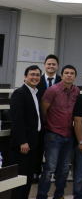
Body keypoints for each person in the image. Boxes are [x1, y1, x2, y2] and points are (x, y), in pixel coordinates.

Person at [37, 65, 80, 199]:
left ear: (75, 76)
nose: (69, 75)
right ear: (62, 75)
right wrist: (51, 123)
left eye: (72, 73)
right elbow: (44, 111)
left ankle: (59, 196)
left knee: (64, 170)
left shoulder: (76, 91)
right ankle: (42, 196)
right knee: (49, 169)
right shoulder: (52, 90)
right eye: (66, 73)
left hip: (69, 136)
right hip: (53, 136)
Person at [10, 65, 42, 199]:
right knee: (20, 179)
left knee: (28, 178)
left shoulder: (35, 93)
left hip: (33, 143)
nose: (35, 77)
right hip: (23, 145)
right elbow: (17, 120)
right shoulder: (20, 93)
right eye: (32, 74)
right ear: (25, 77)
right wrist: (23, 141)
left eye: (37, 75)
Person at [34, 54, 61, 181]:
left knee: (55, 147)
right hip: (39, 119)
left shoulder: (62, 80)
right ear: (44, 65)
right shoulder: (36, 79)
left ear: (57, 66)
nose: (51, 66)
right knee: (38, 145)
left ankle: (55, 171)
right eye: (49, 64)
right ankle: (36, 171)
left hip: (56, 120)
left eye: (54, 64)